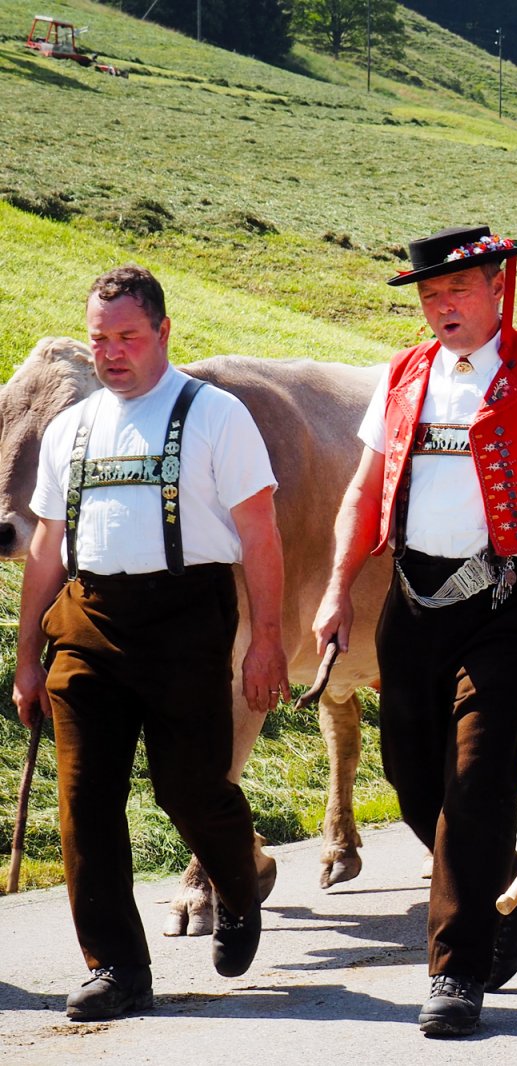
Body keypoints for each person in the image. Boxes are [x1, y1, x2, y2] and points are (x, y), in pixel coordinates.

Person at [311, 225, 517, 1037]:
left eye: (456, 291)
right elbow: (361, 491)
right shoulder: (405, 374)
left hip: (510, 600)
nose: (440, 307)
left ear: (498, 286)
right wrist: (336, 587)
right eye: (428, 296)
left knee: (477, 775)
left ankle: (455, 973)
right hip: (412, 600)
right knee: (410, 777)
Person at [11, 265, 288, 1021]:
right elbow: (45, 548)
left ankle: (237, 886)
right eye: (101, 338)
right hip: (88, 618)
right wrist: (28, 654)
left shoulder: (216, 415)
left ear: (164, 332)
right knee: (84, 800)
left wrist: (267, 639)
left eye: (128, 336)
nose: (112, 352)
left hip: (186, 617)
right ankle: (117, 969)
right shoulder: (72, 428)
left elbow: (260, 537)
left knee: (191, 788)